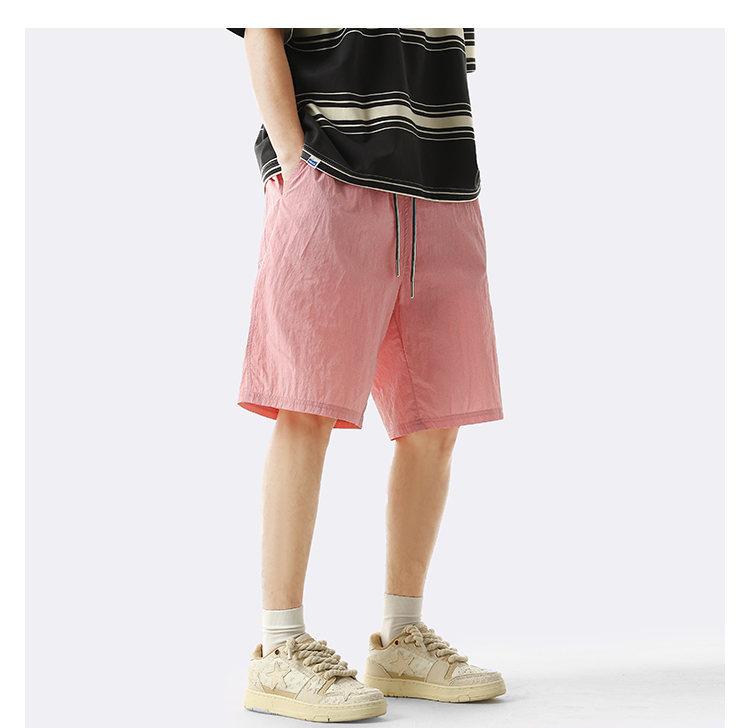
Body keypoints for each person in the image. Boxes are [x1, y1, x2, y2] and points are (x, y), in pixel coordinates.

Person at [229, 27, 505, 722]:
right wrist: (295, 163)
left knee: (435, 422)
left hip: (442, 186)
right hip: (332, 176)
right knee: (305, 405)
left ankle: (401, 637)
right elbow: (262, 26)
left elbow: (445, 59)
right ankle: (280, 646)